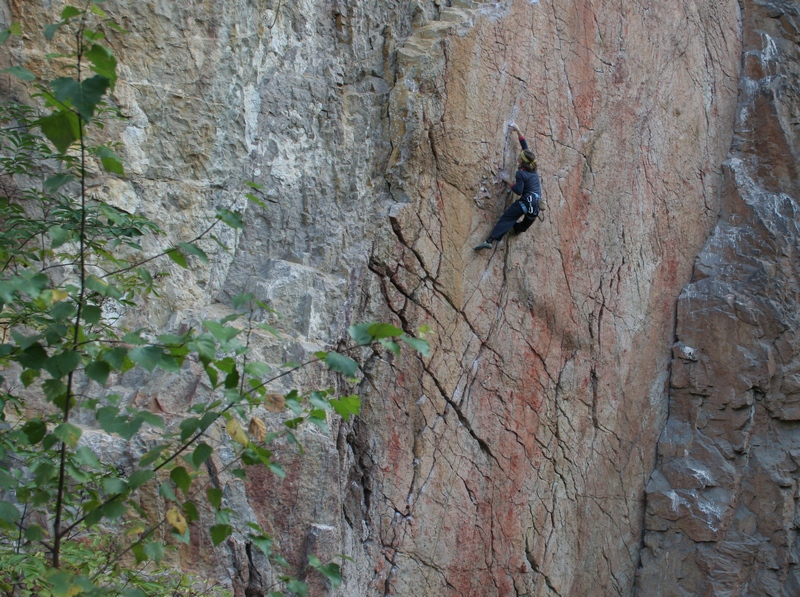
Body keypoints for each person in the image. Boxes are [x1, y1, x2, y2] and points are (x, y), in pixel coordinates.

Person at [474, 123, 541, 251]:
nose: (518, 158)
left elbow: (518, 190)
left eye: (520, 158)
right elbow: (525, 148)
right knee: (524, 226)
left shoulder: (521, 173)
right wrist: (518, 130)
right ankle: (517, 228)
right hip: (536, 205)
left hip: (525, 202)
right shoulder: (533, 168)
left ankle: (490, 240)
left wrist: (507, 180)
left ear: (521, 161)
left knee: (507, 218)